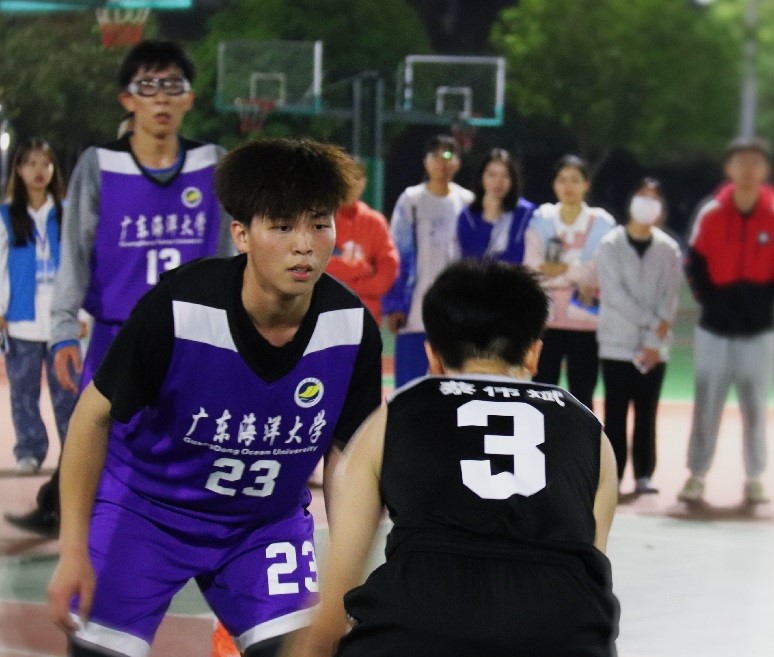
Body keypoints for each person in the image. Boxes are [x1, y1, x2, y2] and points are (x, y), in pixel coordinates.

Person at [46, 137, 383, 657]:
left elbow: (349, 459)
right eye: (282, 226)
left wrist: (346, 581)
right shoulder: (179, 307)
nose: (305, 244)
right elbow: (91, 417)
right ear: (241, 235)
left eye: (320, 224)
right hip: (146, 513)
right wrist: (72, 549)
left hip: (264, 525)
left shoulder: (351, 327)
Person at [291, 259, 619, 657]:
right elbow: (591, 566)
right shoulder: (589, 430)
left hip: (418, 627)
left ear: (433, 357)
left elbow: (337, 593)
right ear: (534, 354)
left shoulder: (394, 416)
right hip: (566, 636)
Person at [4, 39, 233, 537]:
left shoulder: (213, 162)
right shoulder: (99, 164)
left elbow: (227, 255)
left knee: (191, 439)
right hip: (116, 332)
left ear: (189, 98)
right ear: (127, 99)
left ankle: (182, 534)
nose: (161, 97)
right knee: (94, 433)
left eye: (172, 85)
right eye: (148, 86)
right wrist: (64, 330)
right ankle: (69, 517)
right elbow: (74, 253)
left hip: (190, 332)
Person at [679, 136, 774, 505]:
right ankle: (696, 474)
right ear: (729, 168)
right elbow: (694, 263)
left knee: (755, 408)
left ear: (764, 170)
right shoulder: (712, 213)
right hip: (714, 330)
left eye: (755, 162)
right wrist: (711, 300)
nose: (748, 169)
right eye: (741, 162)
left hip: (759, 332)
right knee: (707, 405)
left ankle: (755, 477)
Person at [597, 178, 682, 495]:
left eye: (654, 197)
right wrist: (651, 322)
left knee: (647, 412)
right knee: (615, 413)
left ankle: (644, 473)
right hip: (616, 343)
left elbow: (670, 296)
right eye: (641, 196)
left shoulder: (668, 249)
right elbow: (614, 295)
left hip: (654, 347)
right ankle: (614, 475)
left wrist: (654, 339)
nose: (647, 202)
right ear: (631, 200)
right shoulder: (610, 244)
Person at [0, 139, 79, 474]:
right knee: (23, 393)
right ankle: (29, 451)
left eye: (45, 163)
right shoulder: (6, 216)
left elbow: (80, 264)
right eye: (30, 163)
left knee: (69, 392)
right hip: (22, 320)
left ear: (53, 169)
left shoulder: (67, 212)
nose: (38, 171)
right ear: (18, 169)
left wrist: (82, 313)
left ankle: (74, 454)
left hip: (62, 321)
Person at [524, 154, 615, 411]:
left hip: (586, 322)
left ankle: (582, 438)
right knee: (541, 394)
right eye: (563, 180)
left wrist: (560, 270)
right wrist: (577, 271)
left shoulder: (602, 224)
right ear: (554, 184)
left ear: (586, 185)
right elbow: (532, 269)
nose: (568, 187)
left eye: (575, 180)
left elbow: (598, 273)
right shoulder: (541, 220)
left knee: (582, 395)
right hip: (546, 321)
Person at [382, 134, 473, 387]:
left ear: (457, 163)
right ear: (425, 162)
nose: (442, 162)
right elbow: (396, 254)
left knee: (453, 384)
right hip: (415, 310)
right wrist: (395, 304)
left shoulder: (467, 202)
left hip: (456, 313)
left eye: (448, 155)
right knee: (409, 386)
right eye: (436, 155)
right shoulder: (411, 200)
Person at [325, 160, 399, 326]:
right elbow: (316, 267)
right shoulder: (320, 219)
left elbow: (388, 269)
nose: (351, 184)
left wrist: (352, 285)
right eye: (346, 177)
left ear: (364, 183)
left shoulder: (375, 222)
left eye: (357, 178)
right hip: (325, 313)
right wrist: (362, 268)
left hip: (365, 315)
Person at [456, 147, 535, 263]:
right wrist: (487, 220)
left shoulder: (526, 213)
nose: (498, 182)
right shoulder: (468, 216)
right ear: (481, 178)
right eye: (492, 175)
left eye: (505, 176)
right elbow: (470, 259)